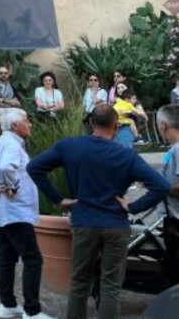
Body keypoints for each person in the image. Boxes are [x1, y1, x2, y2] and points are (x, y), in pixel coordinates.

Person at [28, 104, 169, 319]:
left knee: (80, 282)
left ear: (91, 123)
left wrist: (59, 199)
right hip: (116, 225)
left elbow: (34, 167)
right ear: (115, 125)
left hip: (84, 223)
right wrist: (132, 206)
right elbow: (162, 185)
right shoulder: (126, 155)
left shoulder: (70, 147)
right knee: (111, 285)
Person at [0, 109, 53, 319]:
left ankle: (7, 304)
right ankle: (32, 311)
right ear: (15, 126)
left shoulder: (0, 142)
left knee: (7, 258)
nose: (30, 124)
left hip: (3, 209)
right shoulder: (10, 145)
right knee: (32, 259)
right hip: (15, 210)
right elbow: (7, 167)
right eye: (26, 120)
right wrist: (12, 186)